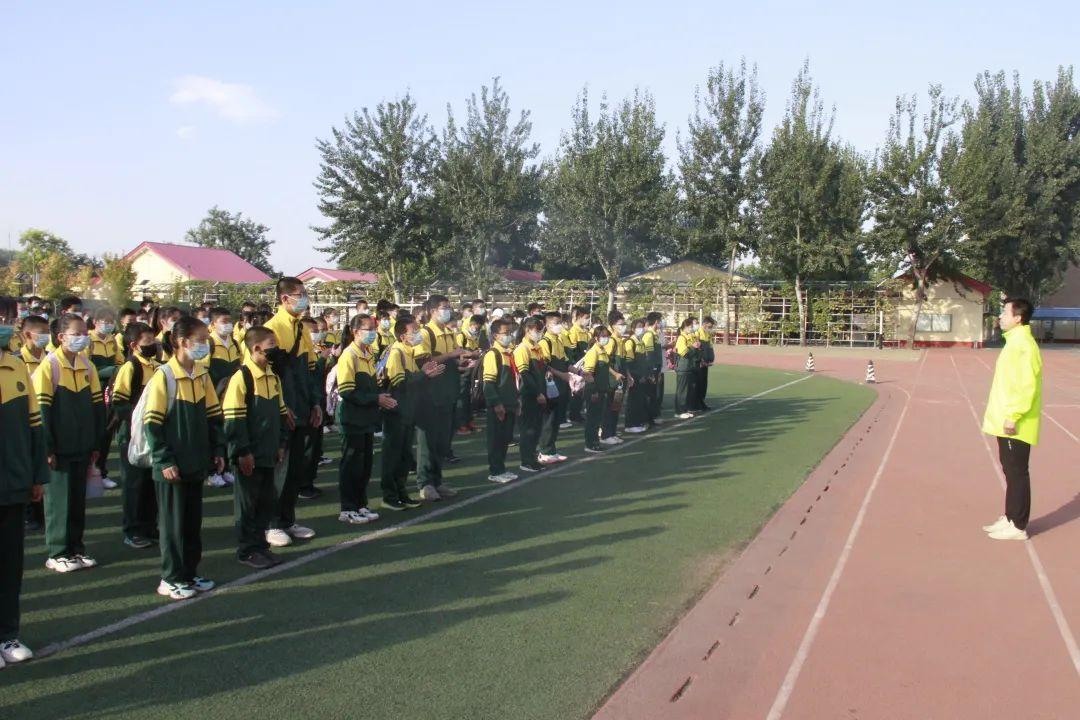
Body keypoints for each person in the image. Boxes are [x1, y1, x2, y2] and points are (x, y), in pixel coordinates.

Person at [143, 316, 225, 599]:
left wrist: (217, 450)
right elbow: (152, 424)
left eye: (206, 339)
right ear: (181, 342)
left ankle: (189, 572)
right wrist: (164, 460)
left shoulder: (202, 374)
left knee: (191, 523)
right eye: (200, 340)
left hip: (196, 462)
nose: (206, 344)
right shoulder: (164, 375)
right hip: (172, 465)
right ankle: (170, 577)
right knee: (172, 525)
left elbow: (213, 416)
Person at [34, 313, 104, 573]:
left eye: (85, 333)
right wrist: (47, 448)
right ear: (61, 337)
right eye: (77, 334)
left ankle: (76, 547)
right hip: (59, 449)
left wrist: (95, 444)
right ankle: (57, 552)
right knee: (58, 502)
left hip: (82, 446)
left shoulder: (88, 366)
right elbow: (42, 412)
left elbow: (97, 407)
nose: (83, 338)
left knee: (76, 501)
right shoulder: (49, 366)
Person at [0, 320, 48, 666]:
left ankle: (7, 634)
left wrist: (36, 475)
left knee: (10, 564)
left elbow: (34, 424)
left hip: (14, 482)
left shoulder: (16, 366)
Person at [223, 327, 289, 569]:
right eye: (272, 344)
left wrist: (281, 444)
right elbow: (233, 420)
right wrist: (243, 451)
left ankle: (261, 546)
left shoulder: (273, 376)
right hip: (250, 454)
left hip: (269, 452)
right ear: (256, 348)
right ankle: (247, 550)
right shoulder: (242, 378)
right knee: (247, 505)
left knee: (265, 501)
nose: (276, 349)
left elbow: (281, 414)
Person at [263, 278, 321, 547]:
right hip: (283, 408)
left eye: (305, 293)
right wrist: (280, 406)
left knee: (296, 467)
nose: (305, 298)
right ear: (284, 298)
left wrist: (316, 403)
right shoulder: (271, 329)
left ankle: (287, 519)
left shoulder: (301, 327)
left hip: (302, 405)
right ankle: (272, 523)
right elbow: (264, 375)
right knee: (280, 467)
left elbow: (310, 370)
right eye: (300, 294)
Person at [982, 298, 1043, 542]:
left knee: (1017, 472)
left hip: (1016, 422)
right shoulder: (1014, 342)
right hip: (1006, 419)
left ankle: (1018, 525)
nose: (1000, 316)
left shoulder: (1024, 346)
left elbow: (1026, 386)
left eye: (1005, 312)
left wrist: (1014, 416)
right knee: (1010, 471)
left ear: (1018, 318)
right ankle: (1010, 517)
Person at [335, 315, 394, 524]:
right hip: (352, 419)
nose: (372, 333)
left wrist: (380, 396)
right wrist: (375, 399)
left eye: (373, 329)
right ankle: (347, 508)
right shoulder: (348, 355)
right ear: (355, 331)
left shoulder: (367, 353)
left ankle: (361, 504)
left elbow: (370, 386)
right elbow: (346, 391)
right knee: (351, 465)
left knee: (365, 465)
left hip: (366, 418)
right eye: (368, 329)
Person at [412, 295, 472, 501]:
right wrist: (451, 355)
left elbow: (451, 360)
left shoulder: (448, 332)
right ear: (432, 311)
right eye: (444, 307)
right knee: (427, 441)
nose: (448, 311)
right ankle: (425, 483)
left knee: (442, 441)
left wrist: (460, 363)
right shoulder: (424, 333)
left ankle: (437, 481)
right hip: (429, 395)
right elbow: (423, 361)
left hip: (448, 392)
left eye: (448, 307)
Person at [382, 317, 443, 510]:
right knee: (393, 455)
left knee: (404, 456)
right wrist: (424, 374)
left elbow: (413, 381)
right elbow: (399, 382)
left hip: (408, 411)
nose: (418, 333)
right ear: (402, 336)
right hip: (396, 411)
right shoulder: (396, 352)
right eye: (414, 331)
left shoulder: (408, 351)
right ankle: (389, 496)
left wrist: (425, 373)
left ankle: (402, 493)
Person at [111, 322, 161, 549]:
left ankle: (149, 526)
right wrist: (137, 421)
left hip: (152, 434)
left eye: (154, 340)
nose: (154, 345)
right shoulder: (130, 367)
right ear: (133, 345)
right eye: (147, 342)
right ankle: (133, 530)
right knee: (134, 484)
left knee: (151, 483)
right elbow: (118, 401)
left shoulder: (157, 367)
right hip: (132, 435)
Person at [483, 319, 519, 483]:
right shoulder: (493, 354)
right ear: (495, 335)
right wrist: (496, 403)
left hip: (510, 403)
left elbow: (513, 380)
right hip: (499, 405)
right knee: (496, 439)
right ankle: (495, 471)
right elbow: (489, 383)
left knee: (505, 438)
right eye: (505, 333)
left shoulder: (508, 353)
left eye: (510, 332)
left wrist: (516, 401)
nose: (509, 336)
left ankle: (501, 468)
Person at [513, 317, 549, 473]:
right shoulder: (522, 349)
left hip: (539, 394)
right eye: (537, 330)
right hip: (528, 395)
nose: (539, 333)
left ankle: (533, 459)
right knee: (528, 430)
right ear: (527, 330)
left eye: (541, 330)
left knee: (536, 428)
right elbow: (525, 375)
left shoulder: (537, 347)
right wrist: (538, 393)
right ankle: (526, 461)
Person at [582, 326, 622, 454]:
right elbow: (588, 374)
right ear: (596, 338)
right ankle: (590, 444)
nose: (606, 338)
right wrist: (593, 391)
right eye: (603, 336)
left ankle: (595, 442)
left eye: (607, 336)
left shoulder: (602, 351)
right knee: (592, 419)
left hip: (601, 390)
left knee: (597, 418)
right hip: (594, 391)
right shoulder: (593, 352)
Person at [538, 312, 572, 464]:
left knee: (557, 418)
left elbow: (565, 362)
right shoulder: (545, 342)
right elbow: (545, 366)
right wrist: (562, 375)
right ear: (547, 325)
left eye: (560, 323)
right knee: (549, 419)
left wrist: (579, 372)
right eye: (556, 323)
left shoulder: (558, 340)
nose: (559, 326)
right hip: (551, 385)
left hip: (561, 385)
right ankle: (544, 451)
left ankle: (551, 450)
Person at [601, 312, 628, 445]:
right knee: (609, 407)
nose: (623, 327)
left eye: (624, 324)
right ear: (612, 326)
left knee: (616, 407)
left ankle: (612, 432)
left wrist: (628, 376)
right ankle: (606, 435)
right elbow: (604, 361)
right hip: (611, 381)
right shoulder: (611, 341)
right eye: (620, 324)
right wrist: (615, 374)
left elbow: (623, 362)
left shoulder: (621, 340)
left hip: (620, 380)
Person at [454, 314, 484, 435]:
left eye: (479, 327)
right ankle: (461, 425)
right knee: (462, 398)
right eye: (476, 326)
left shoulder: (474, 337)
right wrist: (472, 354)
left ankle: (468, 422)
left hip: (471, 371)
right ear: (471, 324)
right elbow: (458, 353)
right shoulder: (461, 336)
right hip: (462, 371)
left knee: (468, 397)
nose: (477, 329)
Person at [623, 318, 650, 433]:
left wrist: (645, 375)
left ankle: (638, 422)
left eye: (642, 326)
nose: (641, 329)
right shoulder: (631, 342)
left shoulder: (641, 342)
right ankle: (630, 424)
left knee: (639, 400)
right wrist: (632, 376)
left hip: (642, 376)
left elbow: (644, 361)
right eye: (639, 327)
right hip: (635, 377)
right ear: (633, 329)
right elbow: (629, 362)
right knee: (633, 401)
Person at [566, 307, 592, 424]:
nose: (588, 320)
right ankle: (574, 414)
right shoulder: (574, 332)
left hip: (585, 365)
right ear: (578, 317)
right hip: (577, 366)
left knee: (581, 390)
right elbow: (572, 351)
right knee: (576, 390)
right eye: (586, 317)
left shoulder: (585, 332)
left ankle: (577, 413)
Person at [674, 318, 701, 419]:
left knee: (687, 390)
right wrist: (693, 347)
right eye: (690, 327)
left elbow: (694, 352)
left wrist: (697, 347)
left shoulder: (690, 336)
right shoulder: (681, 338)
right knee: (681, 390)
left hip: (689, 367)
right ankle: (679, 411)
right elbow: (684, 353)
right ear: (685, 327)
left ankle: (685, 409)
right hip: (683, 367)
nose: (692, 328)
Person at [642, 313, 665, 426]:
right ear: (656, 322)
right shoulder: (649, 335)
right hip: (652, 369)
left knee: (654, 393)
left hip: (656, 368)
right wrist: (651, 371)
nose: (661, 323)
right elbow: (649, 355)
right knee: (650, 394)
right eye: (660, 321)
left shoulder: (655, 334)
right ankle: (648, 419)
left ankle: (652, 417)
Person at [694, 317, 716, 411]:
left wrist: (710, 359)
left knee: (704, 383)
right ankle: (696, 403)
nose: (710, 328)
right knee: (699, 383)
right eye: (709, 326)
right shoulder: (697, 333)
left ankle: (701, 401)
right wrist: (701, 360)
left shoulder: (707, 334)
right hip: (699, 363)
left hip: (705, 363)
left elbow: (710, 347)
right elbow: (697, 348)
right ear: (704, 324)